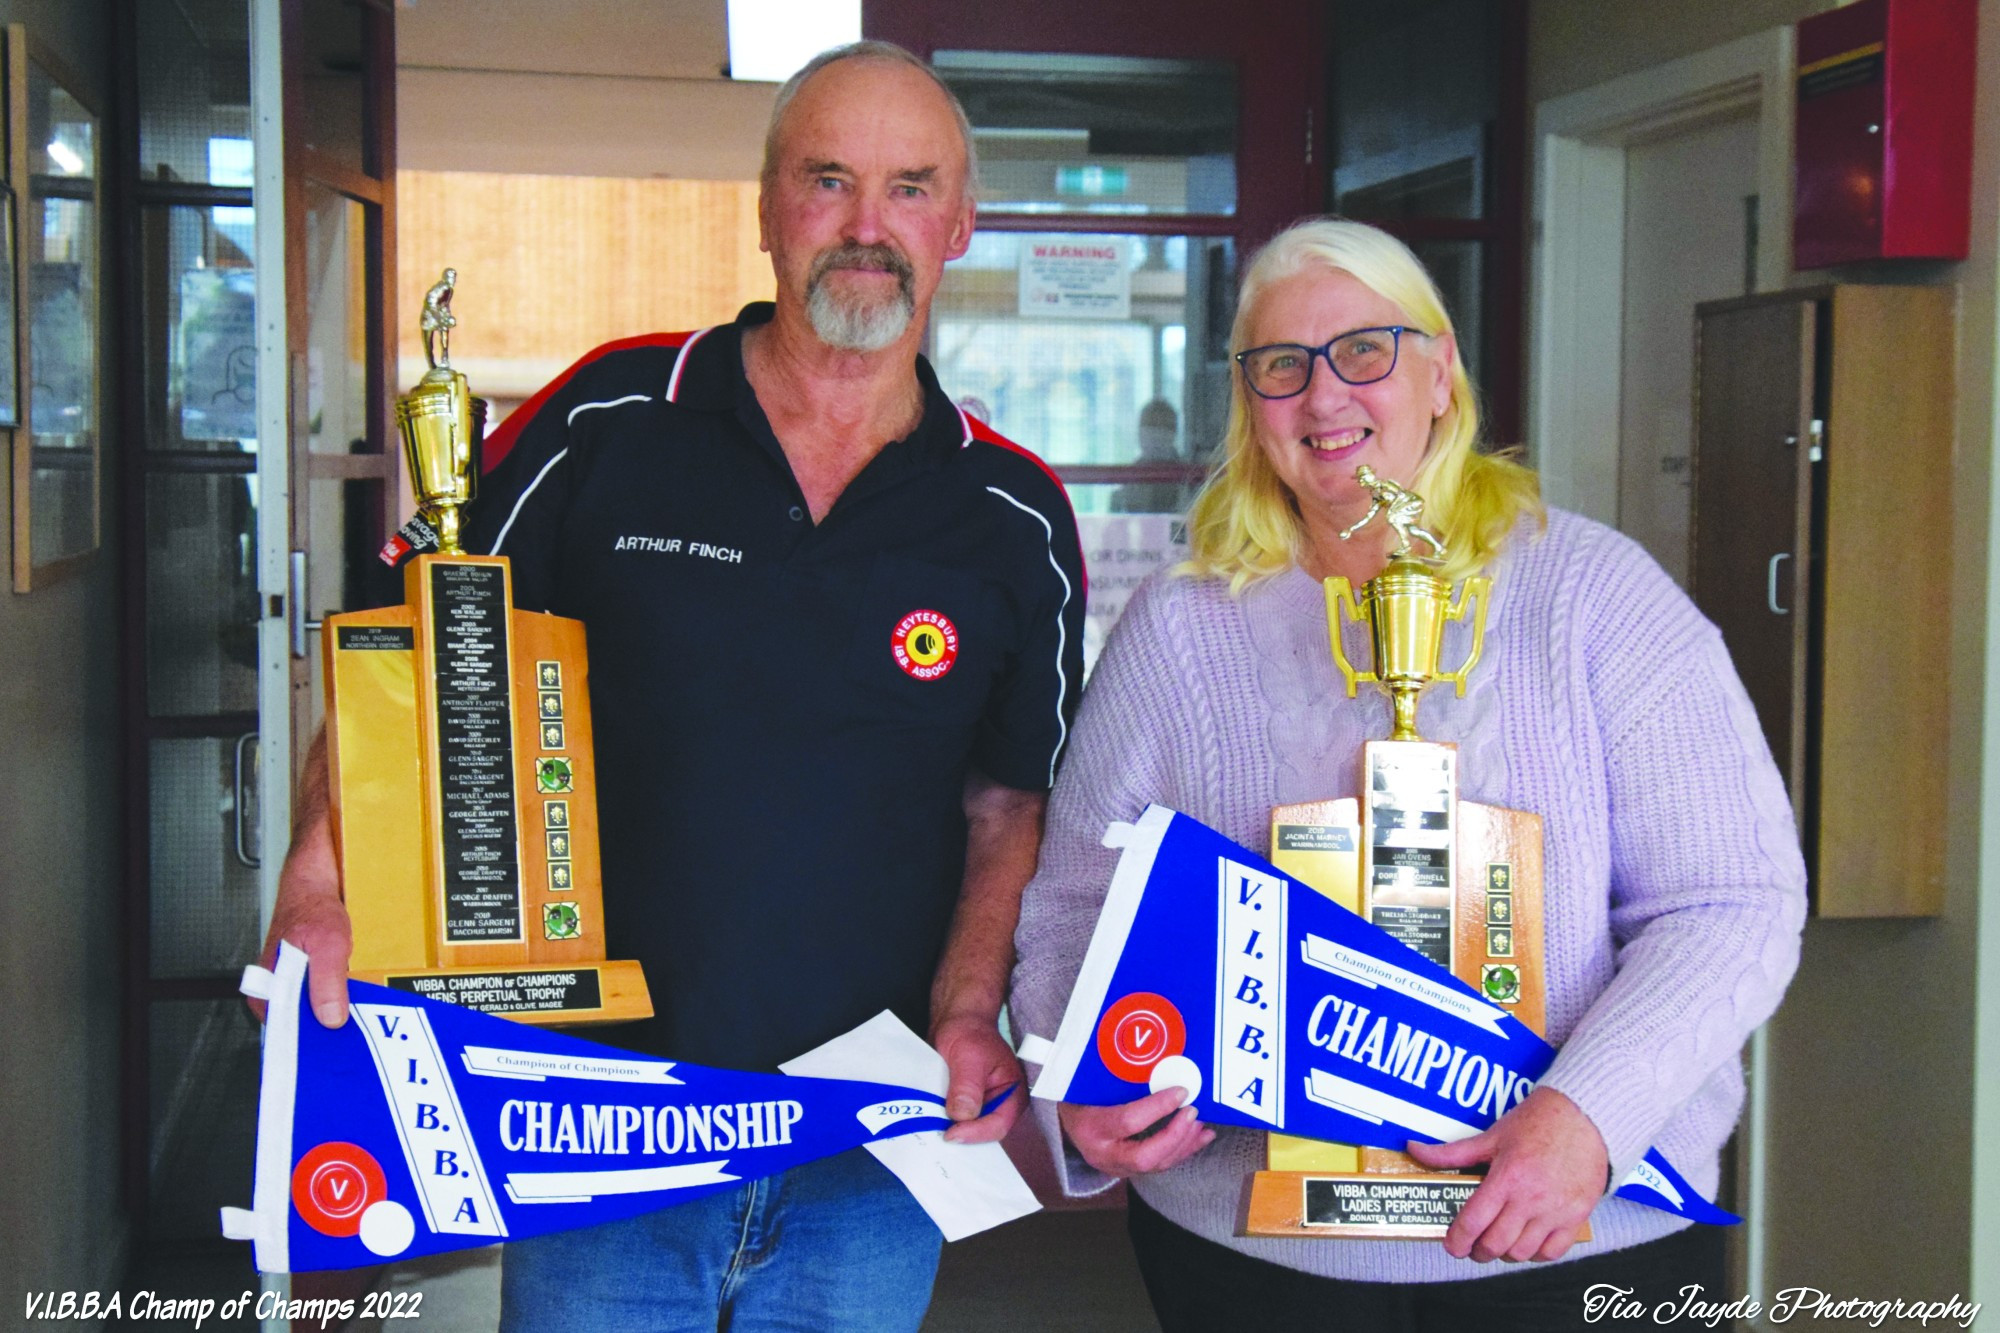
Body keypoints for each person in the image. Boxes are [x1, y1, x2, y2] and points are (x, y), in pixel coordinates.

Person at [259, 42, 1085, 1333]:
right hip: (598, 1123)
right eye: (828, 181)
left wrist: (970, 1006)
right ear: (766, 209)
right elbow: (417, 639)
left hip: (867, 1136)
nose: (868, 228)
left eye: (911, 188)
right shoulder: (613, 417)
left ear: (961, 221)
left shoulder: (1012, 516)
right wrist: (321, 883)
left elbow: (1006, 802)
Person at [1010, 218, 1806, 1332]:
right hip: (1248, 1251)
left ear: (1440, 371)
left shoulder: (1596, 598)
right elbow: (1073, 909)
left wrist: (1586, 1115)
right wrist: (1084, 1082)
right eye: (1280, 366)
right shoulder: (1181, 626)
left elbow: (1729, 901)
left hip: (1572, 1242)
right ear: (1249, 403)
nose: (1323, 396)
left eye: (1365, 351)